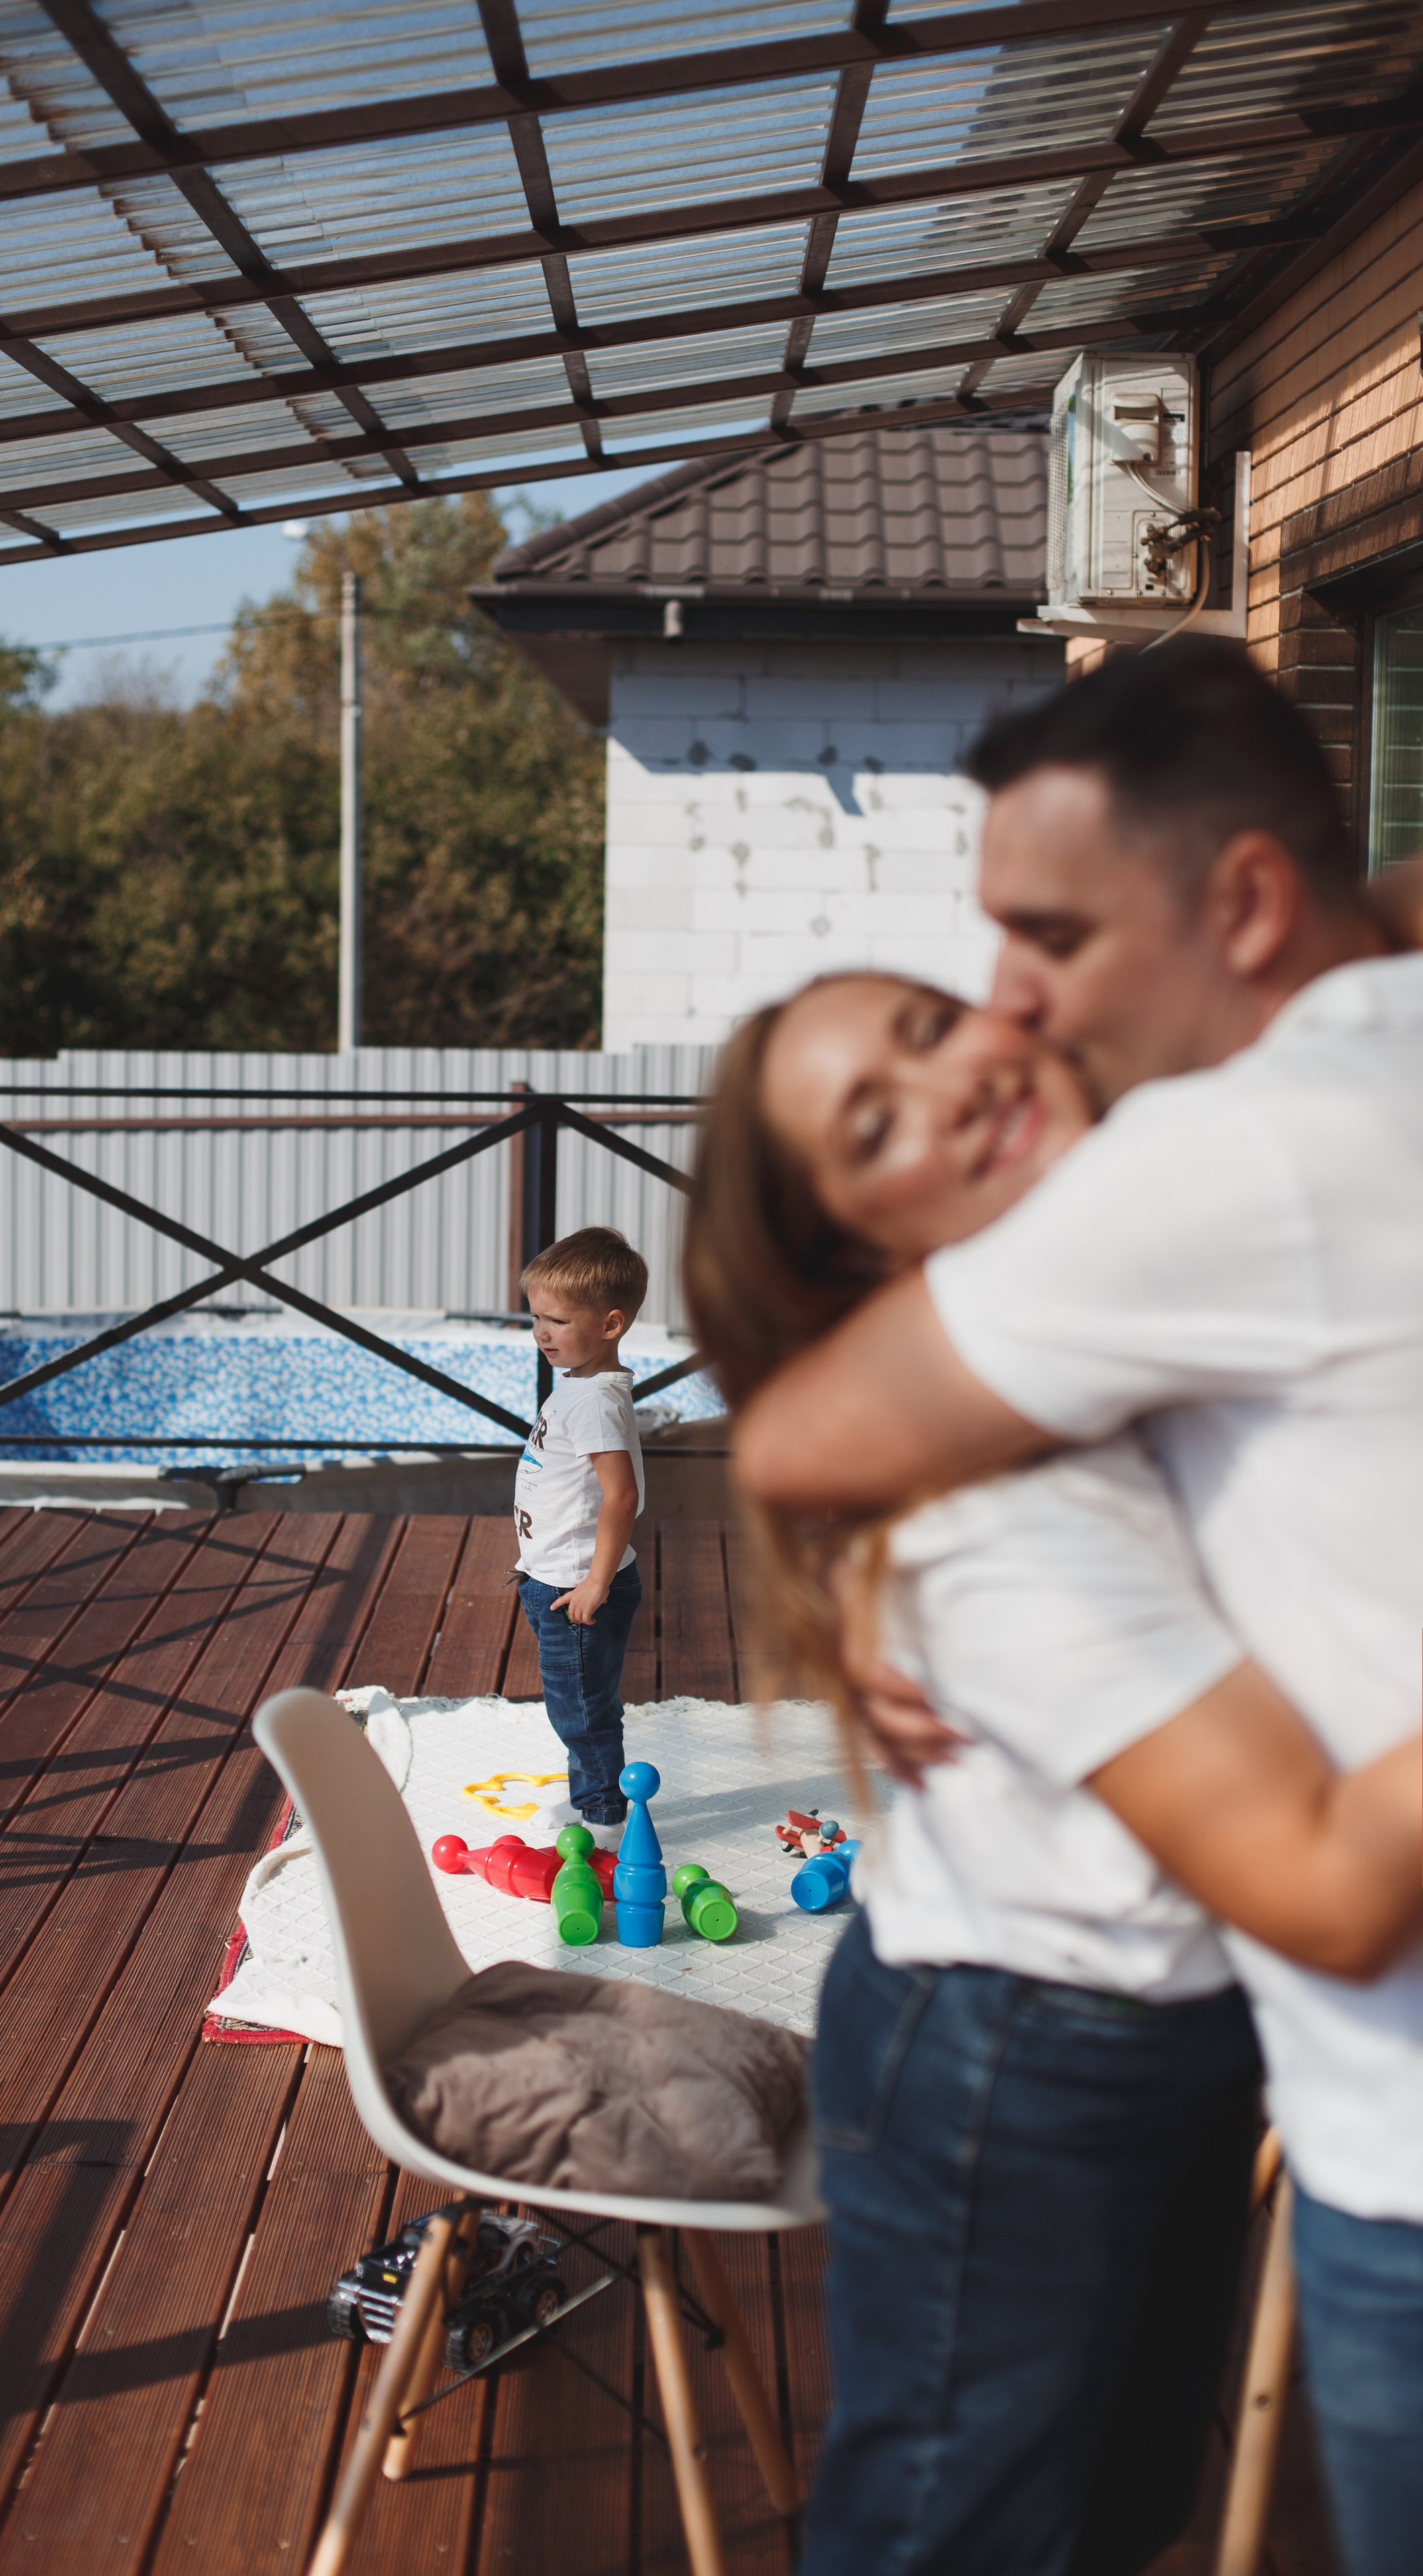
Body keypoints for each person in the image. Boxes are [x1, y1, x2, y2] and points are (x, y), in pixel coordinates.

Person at [734, 641, 1423, 2576]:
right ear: (855, 1254)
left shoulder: (1172, 1187)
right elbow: (1320, 1870)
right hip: (1029, 2028)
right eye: (872, 1128)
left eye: (956, 1009)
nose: (989, 1042)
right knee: (964, 2526)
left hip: (1179, 2020)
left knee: (1094, 2512)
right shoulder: (994, 1502)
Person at [512, 1226, 648, 1842]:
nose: (542, 1333)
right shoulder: (581, 1384)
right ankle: (592, 1794)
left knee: (582, 1710)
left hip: (577, 1591)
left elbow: (621, 1495)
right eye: (536, 1317)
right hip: (556, 1578)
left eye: (558, 1321)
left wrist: (595, 1583)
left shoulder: (593, 1399)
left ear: (611, 1324)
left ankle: (606, 1820)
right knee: (581, 1700)